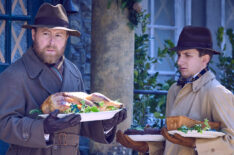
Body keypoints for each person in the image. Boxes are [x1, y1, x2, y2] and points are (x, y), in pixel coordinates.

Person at [0, 3, 127, 155]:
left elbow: (81, 121)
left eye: (58, 35)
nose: (52, 42)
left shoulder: (74, 73)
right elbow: (3, 124)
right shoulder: (14, 75)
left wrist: (106, 123)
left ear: (66, 38)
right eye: (46, 34)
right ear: (34, 34)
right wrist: (43, 128)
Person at [116, 26, 234, 155]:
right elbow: (171, 142)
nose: (179, 61)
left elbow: (231, 144)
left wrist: (196, 144)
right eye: (179, 55)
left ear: (205, 59)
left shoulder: (216, 92)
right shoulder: (174, 90)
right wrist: (147, 148)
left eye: (187, 55)